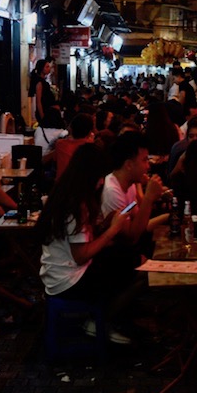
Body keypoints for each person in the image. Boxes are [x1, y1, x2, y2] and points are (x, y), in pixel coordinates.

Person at [37, 143, 137, 344]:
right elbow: (81, 254)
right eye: (99, 176)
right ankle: (99, 321)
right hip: (68, 281)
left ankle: (105, 320)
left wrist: (105, 226)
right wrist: (112, 230)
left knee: (128, 256)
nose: (101, 182)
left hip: (59, 273)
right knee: (137, 268)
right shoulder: (74, 205)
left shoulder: (65, 194)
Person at [100, 131, 168, 250]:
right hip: (114, 254)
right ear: (129, 165)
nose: (148, 166)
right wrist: (148, 197)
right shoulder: (112, 191)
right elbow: (131, 237)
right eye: (144, 160)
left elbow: (140, 223)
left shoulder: (130, 183)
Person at [47, 113, 95, 180]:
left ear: (71, 128)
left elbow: (53, 162)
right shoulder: (92, 146)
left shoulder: (60, 144)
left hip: (60, 187)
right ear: (90, 132)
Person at [29, 57, 61, 128]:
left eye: (49, 67)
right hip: (45, 113)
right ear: (41, 68)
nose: (49, 69)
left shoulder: (43, 81)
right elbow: (39, 101)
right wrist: (42, 116)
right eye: (47, 67)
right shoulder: (39, 82)